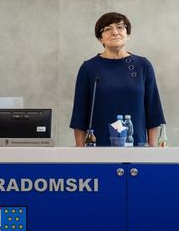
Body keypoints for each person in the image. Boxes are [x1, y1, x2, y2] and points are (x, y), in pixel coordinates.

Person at [70, 12, 165, 147]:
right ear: (100, 39)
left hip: (137, 147)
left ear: (127, 34)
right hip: (97, 148)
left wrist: (152, 149)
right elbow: (79, 116)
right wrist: (80, 152)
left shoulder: (143, 65)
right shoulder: (88, 68)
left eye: (120, 27)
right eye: (108, 29)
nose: (115, 32)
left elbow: (153, 112)